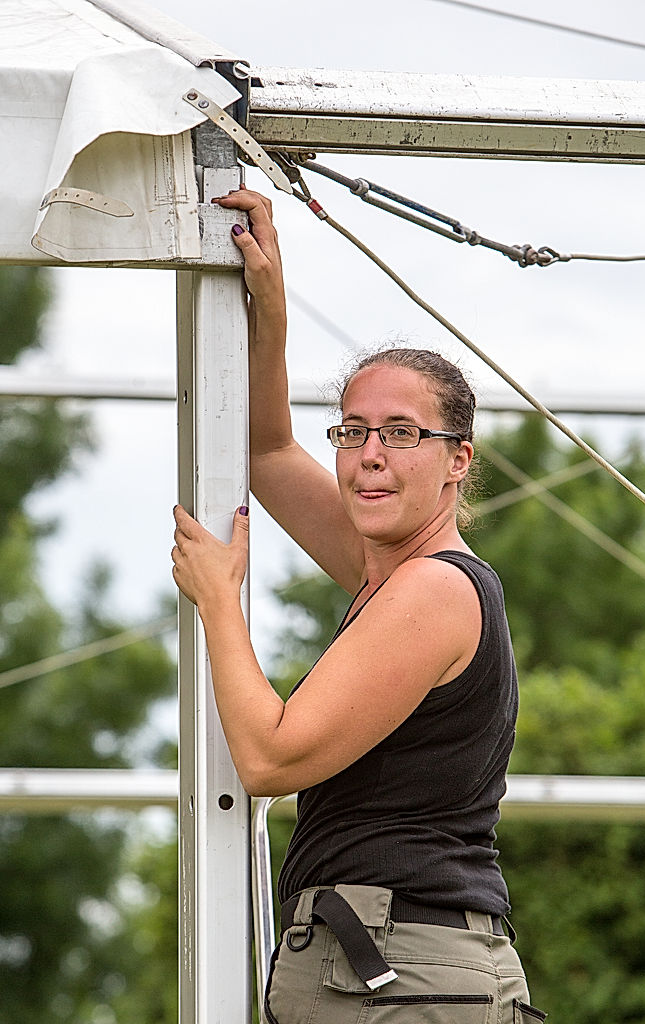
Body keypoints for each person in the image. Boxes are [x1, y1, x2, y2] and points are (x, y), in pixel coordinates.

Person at [171, 188, 546, 1024]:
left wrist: (218, 601)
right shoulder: (390, 572)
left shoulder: (432, 591)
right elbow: (267, 450)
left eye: (402, 433)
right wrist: (268, 307)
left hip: (397, 972)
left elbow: (270, 760)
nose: (369, 455)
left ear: (457, 460)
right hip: (395, 963)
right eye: (352, 431)